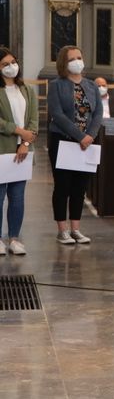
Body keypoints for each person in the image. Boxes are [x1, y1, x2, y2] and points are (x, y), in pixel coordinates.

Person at [47, 46, 101, 245]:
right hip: (63, 140)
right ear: (64, 63)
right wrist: (80, 135)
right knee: (63, 186)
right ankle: (62, 230)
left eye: (79, 57)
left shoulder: (91, 86)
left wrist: (90, 135)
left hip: (86, 144)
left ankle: (76, 228)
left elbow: (97, 114)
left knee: (80, 187)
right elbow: (57, 114)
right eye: (72, 58)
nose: (77, 61)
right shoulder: (56, 85)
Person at [0, 48, 37, 255]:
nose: (11, 66)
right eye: (5, 64)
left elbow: (33, 119)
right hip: (2, 149)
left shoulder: (27, 90)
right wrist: (17, 130)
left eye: (13, 62)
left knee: (17, 196)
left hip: (23, 150)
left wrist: (25, 141)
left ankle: (14, 237)